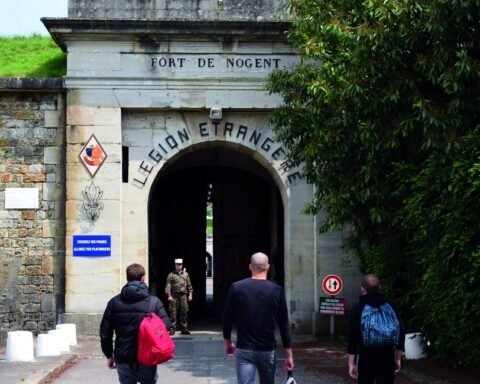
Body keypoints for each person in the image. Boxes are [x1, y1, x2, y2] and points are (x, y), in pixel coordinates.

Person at [222, 252, 294, 384]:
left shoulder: (237, 287)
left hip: (244, 348)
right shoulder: (276, 290)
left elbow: (227, 318)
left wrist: (227, 341)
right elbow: (284, 325)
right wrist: (289, 353)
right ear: (268, 267)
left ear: (250, 267)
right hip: (267, 349)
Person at [100, 263, 171, 384]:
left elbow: (105, 333)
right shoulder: (154, 302)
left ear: (127, 278)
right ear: (143, 278)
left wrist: (109, 355)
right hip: (148, 355)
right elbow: (166, 326)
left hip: (123, 356)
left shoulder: (114, 302)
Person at [347, 274, 405, 384]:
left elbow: (352, 338)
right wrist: (397, 358)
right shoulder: (391, 306)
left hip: (366, 357)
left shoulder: (358, 309)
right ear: (380, 288)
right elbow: (401, 331)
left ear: (362, 290)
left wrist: (351, 364)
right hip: (387, 356)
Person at [165, 258, 193, 335]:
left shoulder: (185, 274)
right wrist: (169, 295)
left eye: (180, 265)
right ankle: (172, 329)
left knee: (184, 312)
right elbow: (168, 286)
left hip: (183, 296)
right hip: (174, 296)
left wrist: (190, 294)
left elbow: (189, 285)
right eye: (177, 265)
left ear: (182, 265)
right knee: (173, 313)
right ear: (175, 265)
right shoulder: (171, 275)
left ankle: (184, 329)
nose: (179, 266)